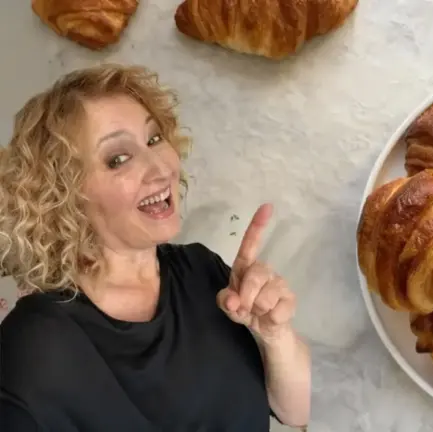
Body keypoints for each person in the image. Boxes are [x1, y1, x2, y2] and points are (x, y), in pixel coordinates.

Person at [0, 64, 311, 431]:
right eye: (118, 159)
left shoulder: (202, 271)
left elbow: (296, 413)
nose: (161, 169)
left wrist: (274, 335)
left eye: (153, 139)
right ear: (64, 195)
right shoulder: (34, 346)